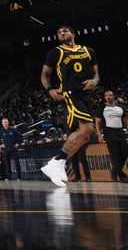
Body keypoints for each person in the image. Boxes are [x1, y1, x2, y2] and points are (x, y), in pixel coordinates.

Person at [40, 25, 100, 187]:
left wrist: (94, 82)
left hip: (87, 95)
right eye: (59, 32)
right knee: (87, 129)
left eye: (65, 31)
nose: (62, 33)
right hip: (71, 94)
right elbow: (44, 75)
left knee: (86, 135)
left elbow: (96, 74)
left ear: (73, 34)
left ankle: (56, 162)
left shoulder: (89, 51)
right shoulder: (55, 52)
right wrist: (50, 89)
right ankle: (57, 162)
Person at [95, 90, 128, 182]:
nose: (108, 97)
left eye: (110, 95)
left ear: (114, 96)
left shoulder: (120, 106)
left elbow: (125, 120)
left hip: (120, 131)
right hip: (109, 131)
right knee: (115, 154)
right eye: (106, 95)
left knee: (125, 152)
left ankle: (115, 171)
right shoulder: (102, 107)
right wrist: (99, 135)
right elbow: (97, 122)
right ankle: (121, 176)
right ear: (104, 97)